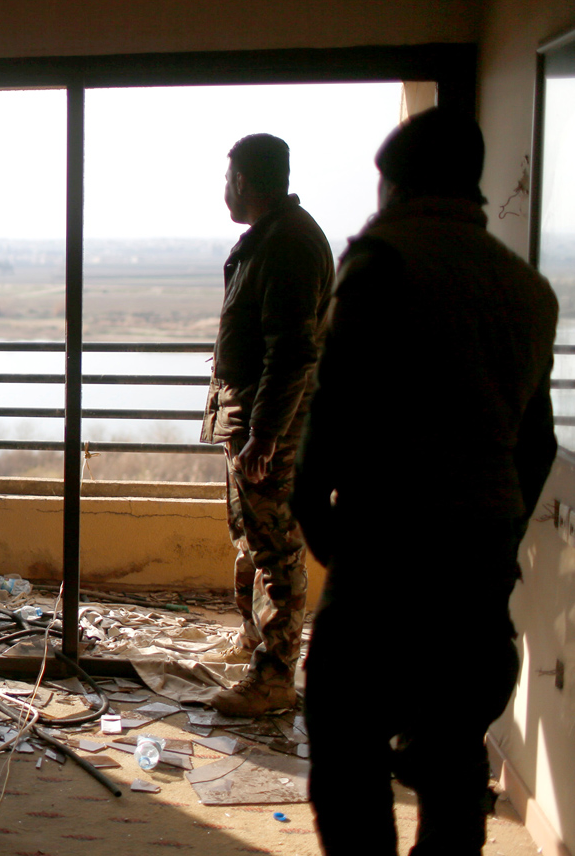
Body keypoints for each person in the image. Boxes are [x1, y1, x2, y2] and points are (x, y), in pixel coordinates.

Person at [294, 108, 557, 856]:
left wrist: (324, 530)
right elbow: (537, 445)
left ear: (398, 185)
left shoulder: (383, 263)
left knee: (345, 744)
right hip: (478, 558)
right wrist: (498, 531)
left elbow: (331, 417)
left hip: (389, 545)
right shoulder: (528, 289)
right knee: (448, 753)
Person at [199, 134, 335, 717]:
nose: (224, 190)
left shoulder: (287, 247)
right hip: (252, 418)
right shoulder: (273, 239)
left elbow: (290, 352)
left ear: (247, 182)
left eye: (228, 179)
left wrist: (264, 434)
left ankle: (275, 676)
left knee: (275, 547)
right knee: (252, 536)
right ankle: (259, 643)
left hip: (267, 426)